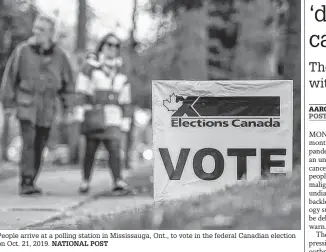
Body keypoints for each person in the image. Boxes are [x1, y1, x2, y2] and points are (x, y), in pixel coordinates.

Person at [0, 14, 75, 195]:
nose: (36, 32)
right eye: (35, 28)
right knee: (28, 142)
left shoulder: (60, 56)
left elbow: (68, 85)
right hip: (26, 105)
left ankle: (31, 179)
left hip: (47, 109)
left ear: (51, 33)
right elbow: (10, 78)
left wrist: (69, 107)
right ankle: (25, 180)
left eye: (41, 29)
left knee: (40, 144)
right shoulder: (22, 50)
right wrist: (8, 103)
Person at [74, 33, 133, 194]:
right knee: (90, 148)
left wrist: (126, 117)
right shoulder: (90, 67)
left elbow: (125, 97)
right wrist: (79, 110)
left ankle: (118, 181)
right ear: (102, 46)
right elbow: (81, 90)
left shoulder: (121, 70)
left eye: (116, 45)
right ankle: (85, 180)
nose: (112, 48)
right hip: (95, 113)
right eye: (109, 44)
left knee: (114, 147)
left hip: (114, 114)